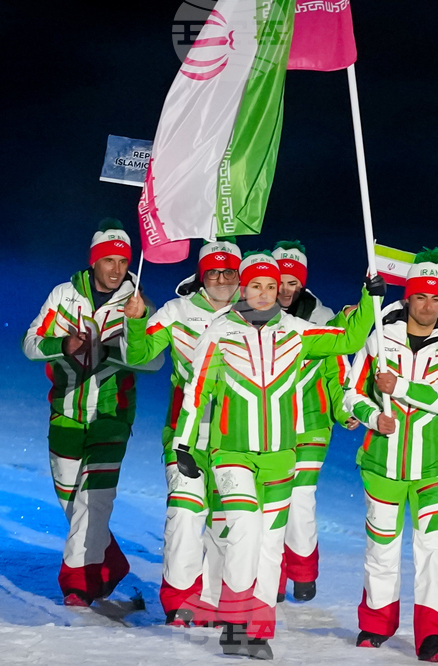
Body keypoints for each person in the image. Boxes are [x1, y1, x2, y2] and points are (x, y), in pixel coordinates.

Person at [172, 251, 386, 659]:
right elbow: (198, 390)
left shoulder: (297, 332)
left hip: (279, 457)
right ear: (243, 287)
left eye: (272, 287)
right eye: (256, 286)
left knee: (270, 546)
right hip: (231, 452)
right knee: (245, 534)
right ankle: (234, 620)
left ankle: (256, 630)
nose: (265, 294)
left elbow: (348, 339)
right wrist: (185, 444)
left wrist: (368, 298)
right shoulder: (220, 331)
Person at [21, 219, 159, 607]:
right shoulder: (64, 296)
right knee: (72, 502)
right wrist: (64, 344)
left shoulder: (138, 303)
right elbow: (30, 344)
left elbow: (153, 362)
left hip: (112, 416)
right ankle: (109, 564)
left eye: (123, 261)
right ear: (93, 261)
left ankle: (78, 587)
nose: (117, 269)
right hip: (65, 413)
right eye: (109, 260)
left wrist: (137, 323)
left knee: (93, 501)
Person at [343, 248, 438, 662]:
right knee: (380, 549)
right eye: (421, 297)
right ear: (409, 296)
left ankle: (434, 635)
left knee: (433, 549)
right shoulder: (379, 336)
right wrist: (370, 416)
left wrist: (397, 387)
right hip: (382, 463)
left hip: (433, 465)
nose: (428, 306)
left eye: (436, 298)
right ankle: (376, 623)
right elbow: (351, 395)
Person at [121, 238, 243, 626]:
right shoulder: (178, 311)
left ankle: (216, 600)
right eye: (214, 271)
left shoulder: (256, 314)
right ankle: (180, 602)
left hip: (238, 438)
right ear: (201, 275)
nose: (222, 279)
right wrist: (137, 322)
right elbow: (138, 356)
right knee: (185, 517)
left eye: (229, 271)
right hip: (185, 433)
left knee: (227, 524)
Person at [271, 241, 358, 603]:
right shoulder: (257, 315)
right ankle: (271, 577)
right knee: (272, 501)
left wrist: (343, 409)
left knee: (300, 497)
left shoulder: (323, 320)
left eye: (294, 283)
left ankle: (303, 572)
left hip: (311, 421)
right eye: (281, 281)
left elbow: (337, 371)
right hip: (269, 423)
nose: (287, 290)